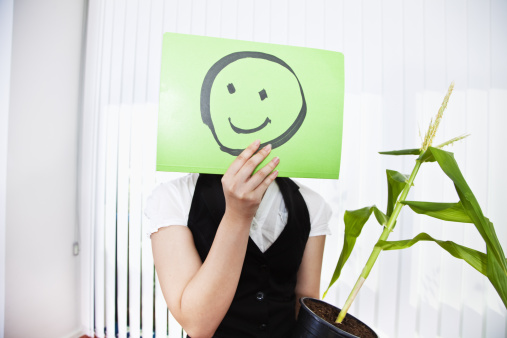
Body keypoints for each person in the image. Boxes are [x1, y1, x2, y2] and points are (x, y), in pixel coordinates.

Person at [145, 140, 331, 337]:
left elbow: (305, 302)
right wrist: (238, 215)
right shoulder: (172, 197)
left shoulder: (312, 204)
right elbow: (197, 325)